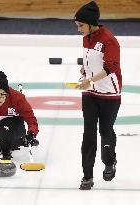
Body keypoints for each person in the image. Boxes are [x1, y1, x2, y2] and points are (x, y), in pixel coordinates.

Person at [74, 1, 122, 190]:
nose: (78, 30)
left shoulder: (109, 40)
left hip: (109, 94)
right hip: (90, 94)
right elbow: (91, 60)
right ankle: (87, 176)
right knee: (89, 134)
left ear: (91, 23)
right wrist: (85, 70)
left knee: (105, 131)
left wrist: (91, 80)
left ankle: (109, 161)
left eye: (80, 26)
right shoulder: (87, 37)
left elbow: (110, 67)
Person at [0, 70, 39, 160]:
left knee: (5, 129)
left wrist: (31, 132)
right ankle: (20, 141)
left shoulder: (17, 98)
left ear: (7, 93)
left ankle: (10, 148)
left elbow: (30, 118)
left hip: (15, 125)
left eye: (2, 95)